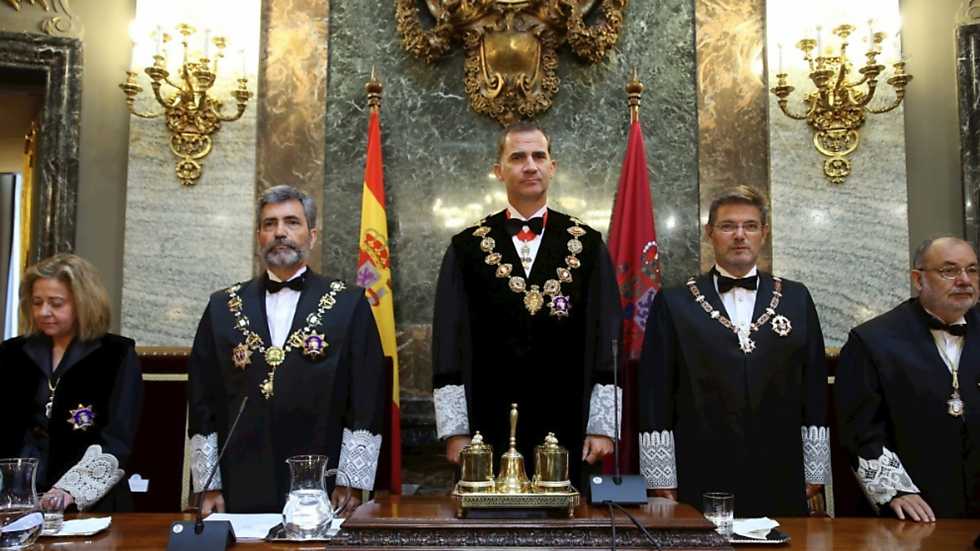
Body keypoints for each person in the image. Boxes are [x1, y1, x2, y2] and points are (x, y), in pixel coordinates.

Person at [431, 121, 622, 488]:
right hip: (485, 421)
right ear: (499, 170)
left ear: (553, 166)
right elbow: (447, 343)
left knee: (567, 518)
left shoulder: (588, 245)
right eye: (517, 157)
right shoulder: (466, 247)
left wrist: (602, 426)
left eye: (539, 156)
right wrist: (454, 430)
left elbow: (607, 337)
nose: (530, 166)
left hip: (568, 417)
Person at [188, 185, 385, 514]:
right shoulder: (222, 306)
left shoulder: (349, 303)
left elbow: (366, 395)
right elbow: (202, 398)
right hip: (240, 477)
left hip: (322, 476)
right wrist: (209, 483)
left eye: (292, 222)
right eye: (270, 224)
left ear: (312, 235)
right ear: (259, 237)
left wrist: (351, 480)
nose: (280, 232)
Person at [637, 185, 829, 516]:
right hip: (701, 466)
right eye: (728, 226)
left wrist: (815, 470)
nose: (740, 235)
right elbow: (656, 393)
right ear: (709, 233)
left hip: (780, 469)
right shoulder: (673, 303)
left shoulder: (796, 298)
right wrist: (660, 477)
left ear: (764, 233)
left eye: (750, 226)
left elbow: (813, 386)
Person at [835, 236, 980, 520]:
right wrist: (897, 490)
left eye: (972, 270)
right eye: (949, 270)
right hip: (913, 508)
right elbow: (861, 429)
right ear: (918, 279)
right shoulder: (872, 341)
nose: (964, 280)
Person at [0, 253, 143, 512]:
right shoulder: (11, 353)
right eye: (37, 302)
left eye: (56, 303)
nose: (44, 312)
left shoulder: (116, 354)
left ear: (83, 303)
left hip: (91, 504)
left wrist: (67, 491)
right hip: (16, 500)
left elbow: (118, 437)